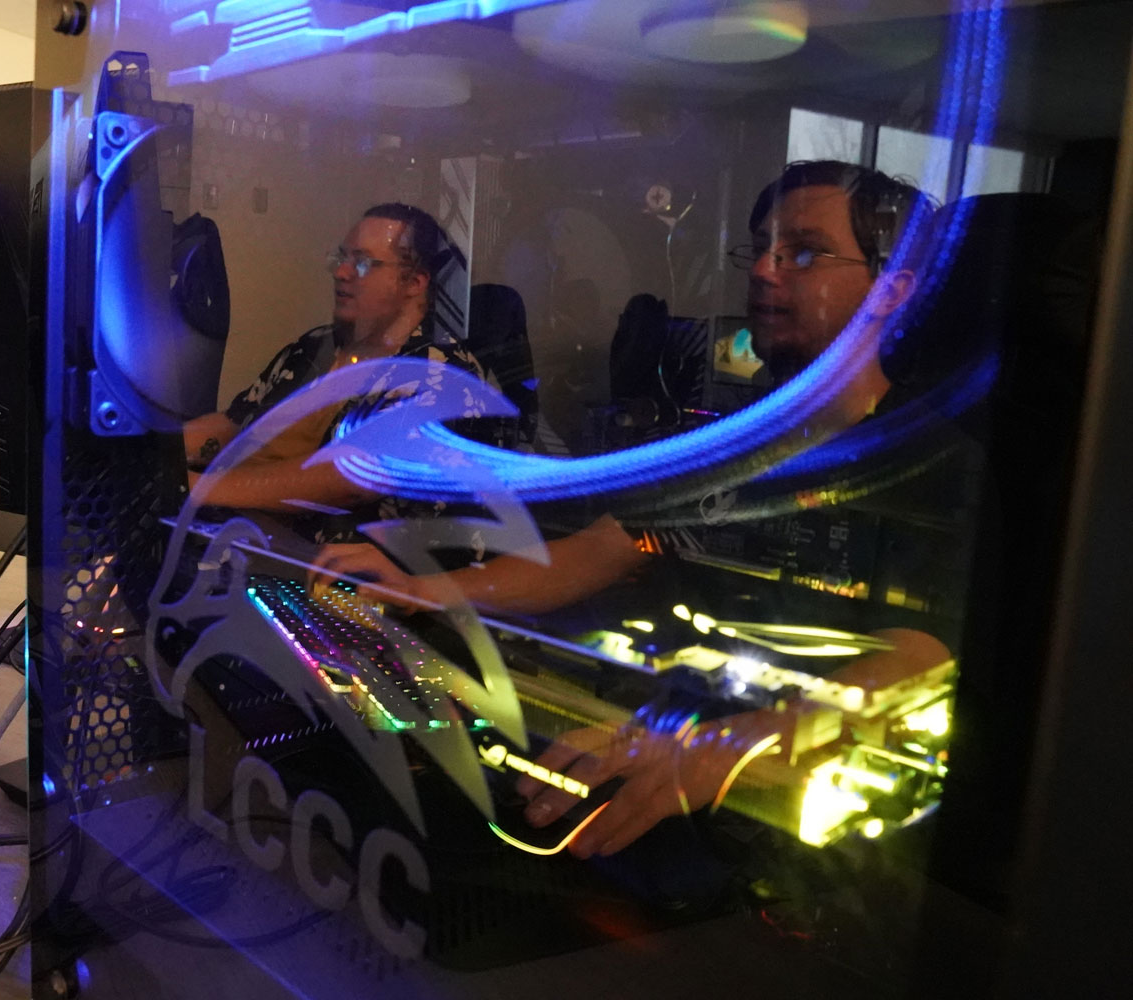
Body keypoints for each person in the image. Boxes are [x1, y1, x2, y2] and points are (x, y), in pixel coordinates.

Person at [309, 161, 960, 856]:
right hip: (647, 750)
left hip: (782, 819)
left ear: (892, 289)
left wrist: (727, 744)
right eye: (761, 250)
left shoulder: (933, 458)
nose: (765, 272)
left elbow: (920, 656)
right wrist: (423, 591)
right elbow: (602, 550)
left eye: (802, 253)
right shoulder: (739, 443)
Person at [182, 203, 510, 543]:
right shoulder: (314, 347)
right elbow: (236, 423)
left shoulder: (440, 371)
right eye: (341, 258)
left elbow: (350, 479)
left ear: (414, 282)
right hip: (245, 538)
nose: (341, 273)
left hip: (343, 568)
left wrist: (196, 487)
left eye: (363, 263)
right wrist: (156, 450)